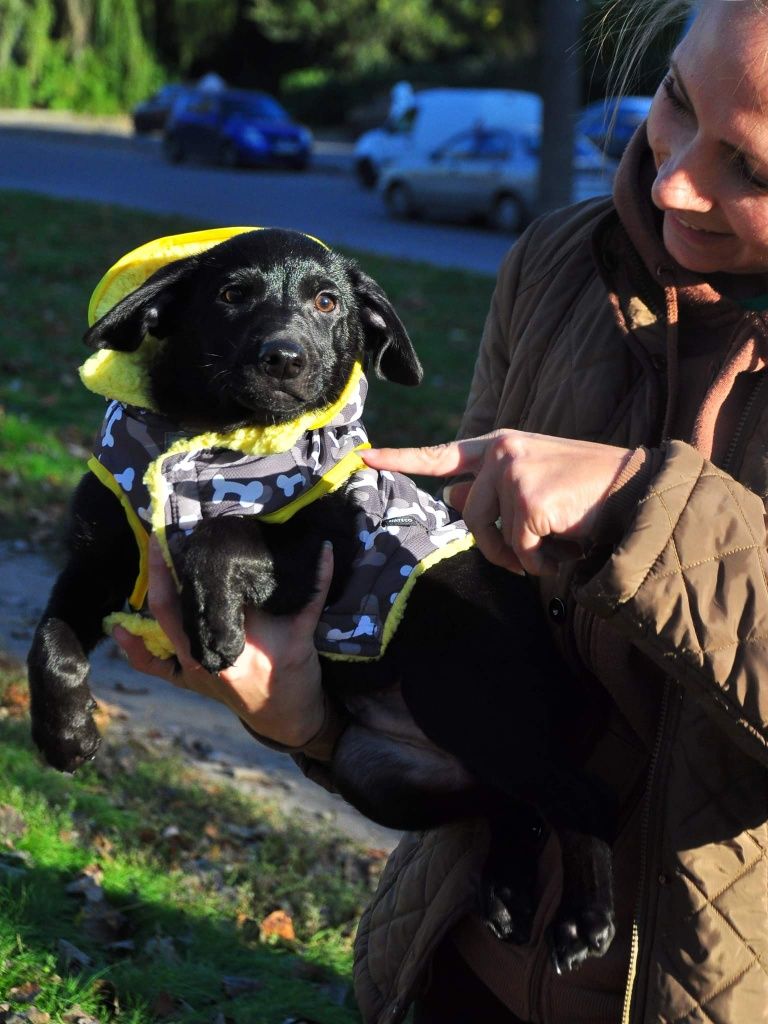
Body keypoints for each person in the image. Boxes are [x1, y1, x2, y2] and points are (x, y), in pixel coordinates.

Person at [115, 1, 768, 1020]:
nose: (674, 175)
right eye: (676, 98)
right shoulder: (559, 266)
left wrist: (647, 511)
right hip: (445, 966)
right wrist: (316, 720)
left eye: (754, 168)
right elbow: (453, 617)